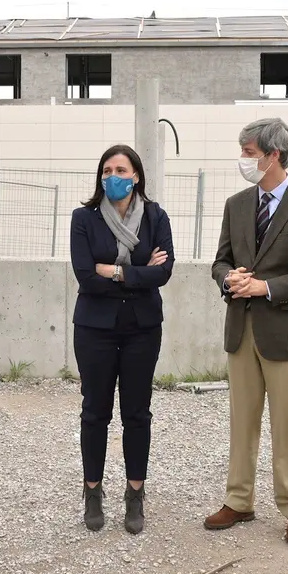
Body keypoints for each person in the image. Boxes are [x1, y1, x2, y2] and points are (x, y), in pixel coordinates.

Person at [204, 118, 288, 545]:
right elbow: (220, 261)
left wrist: (266, 287)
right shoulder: (236, 204)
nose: (243, 159)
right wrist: (230, 279)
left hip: (285, 331)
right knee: (242, 421)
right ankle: (238, 500)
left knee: (287, 424)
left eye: (248, 152)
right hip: (241, 330)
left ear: (273, 155)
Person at [70, 144, 173, 534]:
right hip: (94, 328)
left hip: (142, 327)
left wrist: (112, 273)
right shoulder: (84, 218)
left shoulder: (155, 217)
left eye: (121, 169)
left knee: (137, 412)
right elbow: (84, 276)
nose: (114, 176)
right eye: (108, 169)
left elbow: (164, 272)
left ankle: (135, 494)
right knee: (95, 411)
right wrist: (136, 273)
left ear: (136, 176)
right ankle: (92, 492)